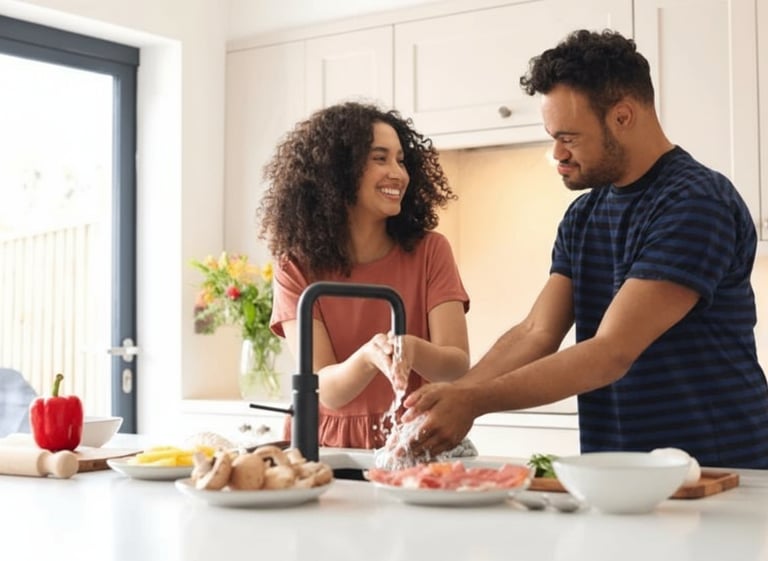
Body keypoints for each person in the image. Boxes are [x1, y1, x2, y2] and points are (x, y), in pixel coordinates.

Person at [401, 29, 768, 469]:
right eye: (552, 136)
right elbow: (536, 330)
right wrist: (457, 394)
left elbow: (611, 351)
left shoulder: (695, 201)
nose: (557, 153)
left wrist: (475, 400)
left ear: (623, 116)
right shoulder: (583, 215)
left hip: (719, 470)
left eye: (569, 137)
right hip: (619, 471)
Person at [257, 101, 471, 450]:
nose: (398, 173)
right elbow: (326, 390)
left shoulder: (431, 251)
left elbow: (456, 366)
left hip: (411, 439)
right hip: (324, 444)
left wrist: (411, 349)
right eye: (380, 158)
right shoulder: (295, 267)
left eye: (401, 160)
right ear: (338, 171)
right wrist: (369, 357)